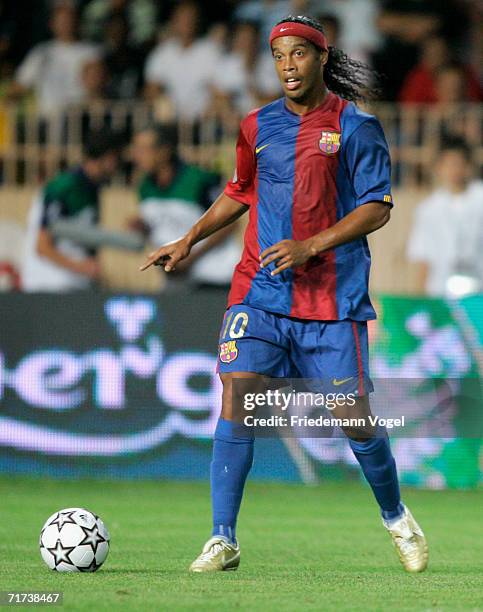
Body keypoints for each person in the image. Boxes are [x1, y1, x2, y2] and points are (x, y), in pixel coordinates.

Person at [141, 15, 428, 573]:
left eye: (299, 54)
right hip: (260, 290)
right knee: (238, 394)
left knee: (355, 419)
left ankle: (396, 517)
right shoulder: (255, 125)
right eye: (279, 56)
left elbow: (378, 207)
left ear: (322, 58)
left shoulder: (356, 127)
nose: (288, 66)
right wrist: (190, 240)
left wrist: (310, 245)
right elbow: (238, 191)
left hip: (331, 299)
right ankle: (223, 538)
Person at [131, 125, 241, 289]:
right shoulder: (144, 186)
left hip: (216, 276)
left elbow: (230, 223)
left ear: (164, 151)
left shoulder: (199, 180)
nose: (136, 156)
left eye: (144, 149)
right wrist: (142, 227)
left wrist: (191, 257)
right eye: (135, 149)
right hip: (176, 282)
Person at [21, 128, 120, 292]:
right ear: (108, 157)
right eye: (117, 158)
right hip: (48, 285)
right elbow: (42, 246)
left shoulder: (92, 188)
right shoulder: (63, 187)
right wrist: (79, 267)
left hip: (75, 284)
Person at [407, 136, 483, 296]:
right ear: (439, 167)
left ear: (468, 166)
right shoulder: (428, 209)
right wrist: (421, 300)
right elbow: (423, 259)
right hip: (440, 292)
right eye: (448, 164)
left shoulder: (480, 198)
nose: (454, 170)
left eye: (458, 163)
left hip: (478, 291)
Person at [7, 3, 100, 116]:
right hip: (47, 122)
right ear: (51, 24)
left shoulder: (92, 52)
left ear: (77, 21)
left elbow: (97, 86)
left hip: (81, 119)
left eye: (69, 20)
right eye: (61, 21)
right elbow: (20, 85)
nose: (65, 24)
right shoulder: (41, 52)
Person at [144, 1, 221, 120]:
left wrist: (210, 110)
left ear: (197, 21)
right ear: (174, 21)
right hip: (169, 121)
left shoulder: (210, 51)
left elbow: (218, 90)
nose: (186, 23)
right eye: (182, 19)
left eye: (190, 18)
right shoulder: (162, 53)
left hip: (203, 122)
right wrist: (160, 101)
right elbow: (151, 89)